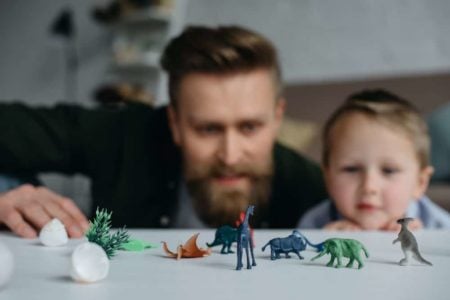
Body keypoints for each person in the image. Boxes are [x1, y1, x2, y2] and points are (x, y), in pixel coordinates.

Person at [0, 25, 327, 239]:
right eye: (208, 129)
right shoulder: (123, 134)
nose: (230, 155)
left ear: (277, 118)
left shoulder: (315, 188)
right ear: (174, 123)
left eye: (250, 127)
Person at [298, 89, 450, 230]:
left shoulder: (440, 227)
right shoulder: (314, 223)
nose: (369, 187)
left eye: (388, 171)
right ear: (328, 177)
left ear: (420, 183)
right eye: (351, 169)